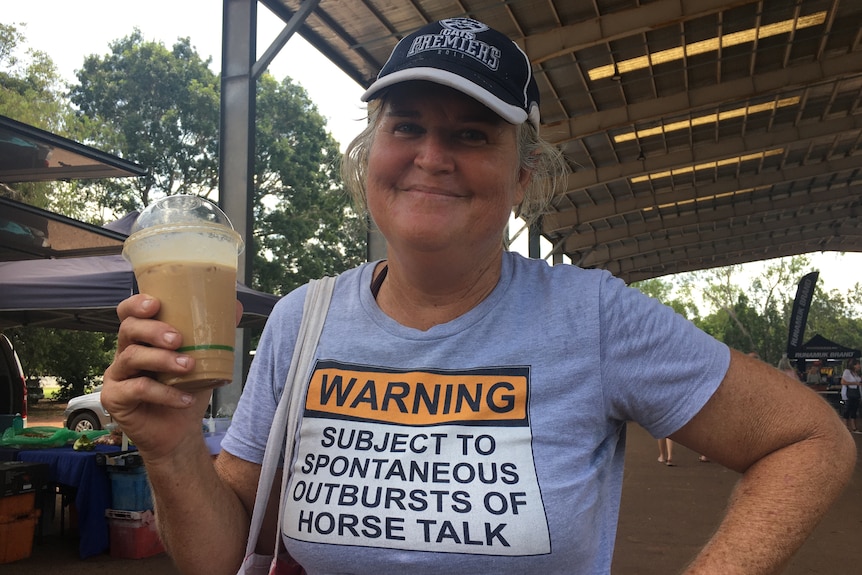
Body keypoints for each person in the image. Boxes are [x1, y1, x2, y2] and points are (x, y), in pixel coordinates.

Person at [101, 17, 856, 575]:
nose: (432, 157)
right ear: (370, 158)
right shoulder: (306, 319)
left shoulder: (591, 314)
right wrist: (169, 448)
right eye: (408, 127)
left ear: (523, 177)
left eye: (471, 135)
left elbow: (809, 438)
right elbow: (223, 551)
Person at [840, 358, 861, 433]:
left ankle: (854, 427)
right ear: (854, 365)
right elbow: (843, 382)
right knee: (847, 410)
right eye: (858, 364)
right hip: (848, 394)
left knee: (854, 410)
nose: (860, 366)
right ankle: (845, 427)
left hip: (856, 394)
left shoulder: (855, 373)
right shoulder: (847, 372)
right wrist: (855, 383)